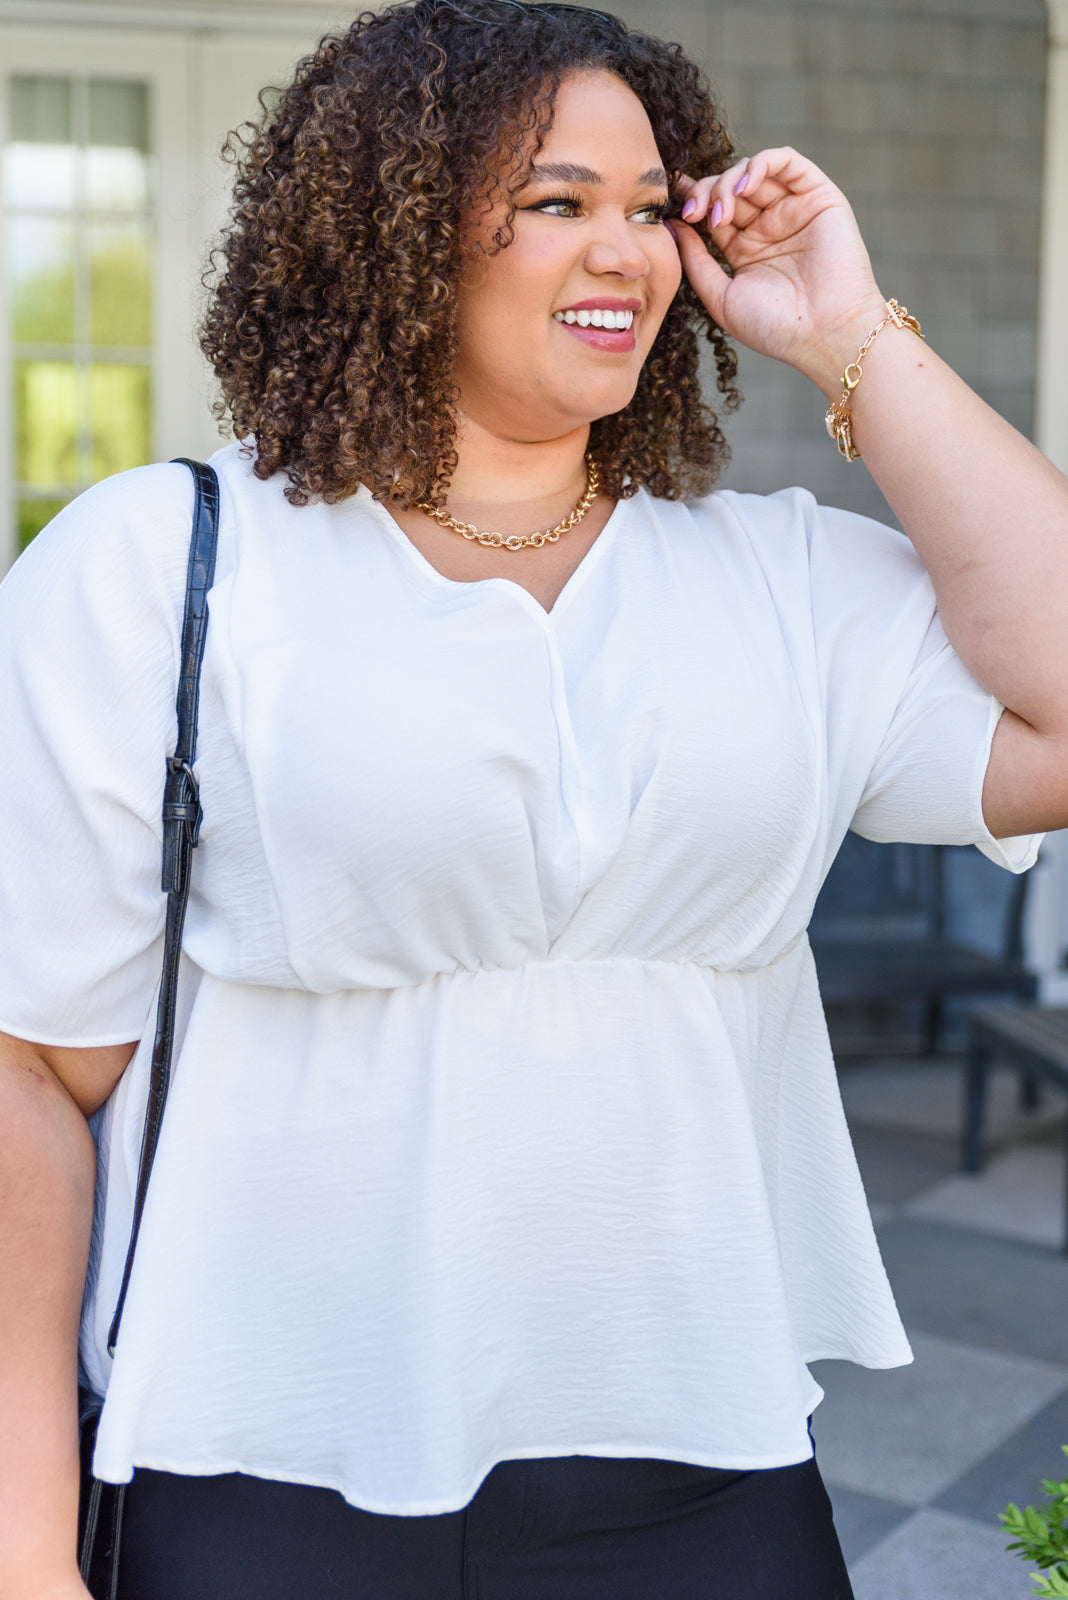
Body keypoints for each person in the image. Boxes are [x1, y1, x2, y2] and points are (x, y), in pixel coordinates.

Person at [2, 2, 1066, 1596]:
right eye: (558, 202)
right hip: (261, 1461)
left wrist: (854, 338)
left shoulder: (770, 580)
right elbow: (31, 1076)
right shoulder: (161, 562)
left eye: (652, 206)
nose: (624, 251)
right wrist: (25, 1556)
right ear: (395, 234)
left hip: (700, 1464)